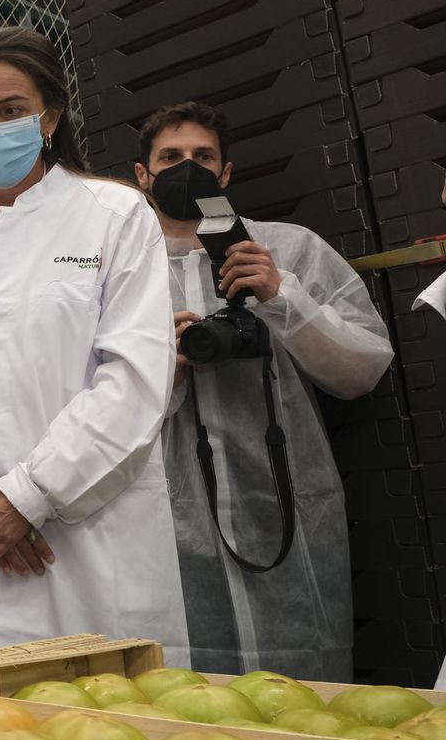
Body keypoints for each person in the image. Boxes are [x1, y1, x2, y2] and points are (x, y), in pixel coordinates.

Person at [0, 26, 188, 658]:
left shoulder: (116, 217)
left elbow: (132, 382)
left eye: (13, 111)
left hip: (87, 540)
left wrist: (27, 496)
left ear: (49, 117)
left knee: (109, 727)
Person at [133, 105, 391, 681]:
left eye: (203, 158)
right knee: (185, 686)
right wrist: (162, 367)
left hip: (286, 509)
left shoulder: (288, 249)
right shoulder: (118, 266)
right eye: (170, 159)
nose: (187, 169)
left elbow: (363, 369)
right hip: (170, 520)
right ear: (141, 176)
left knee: (300, 690)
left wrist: (282, 298)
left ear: (225, 175)